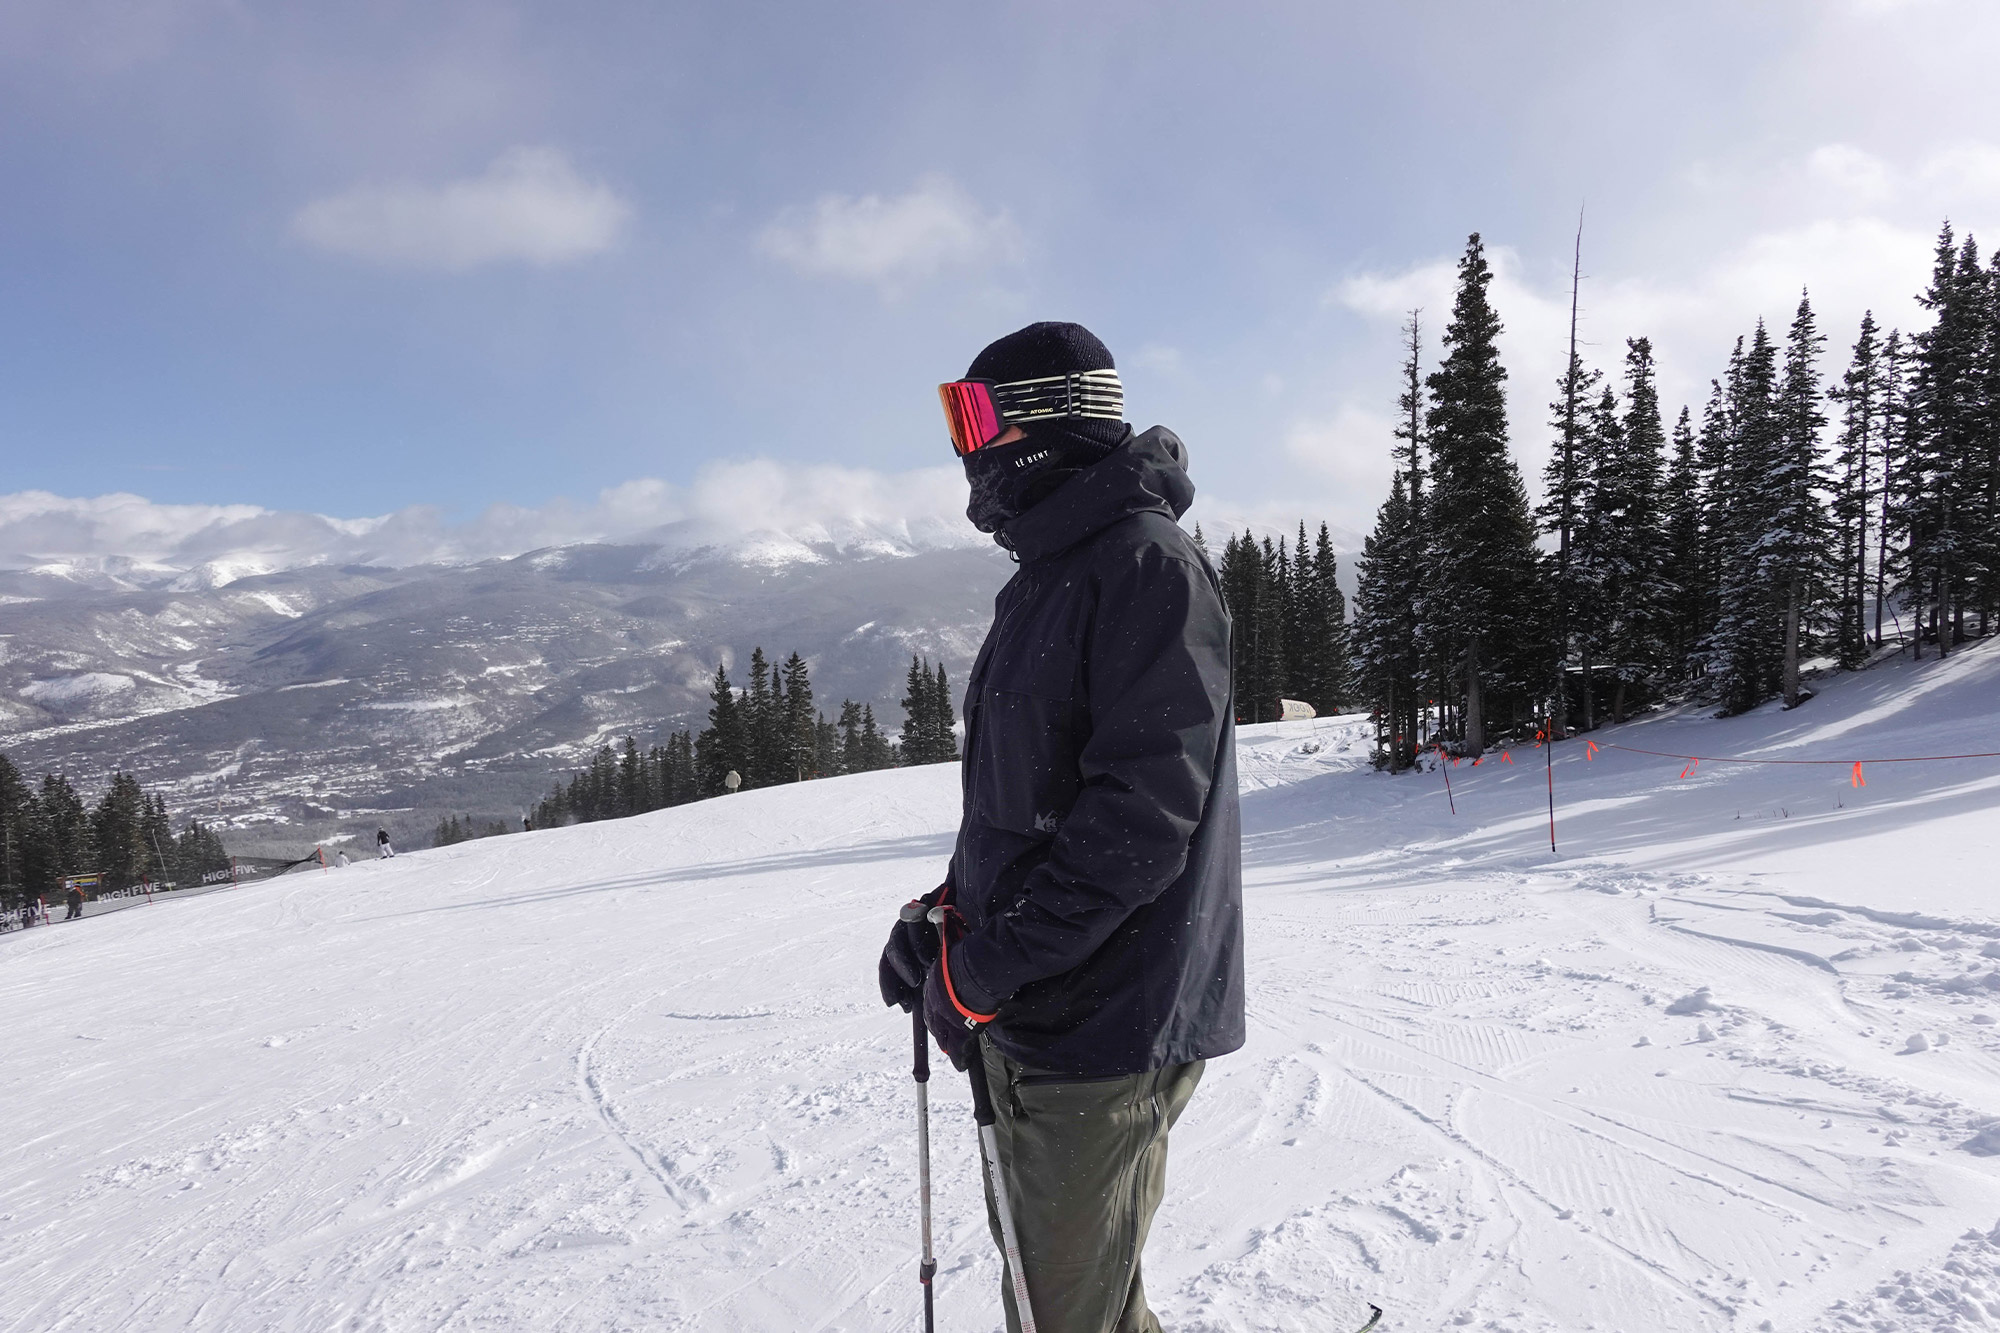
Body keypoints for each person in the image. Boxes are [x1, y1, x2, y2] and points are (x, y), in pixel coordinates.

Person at [879, 322, 1243, 1333]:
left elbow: (1137, 825)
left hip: (1102, 1019)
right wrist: (947, 917)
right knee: (1060, 1296)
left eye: (974, 416)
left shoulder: (1145, 569)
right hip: (1038, 1005)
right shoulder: (1052, 573)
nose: (965, 446)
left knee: (1064, 1317)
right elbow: (1026, 804)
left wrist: (987, 965)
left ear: (1048, 420)